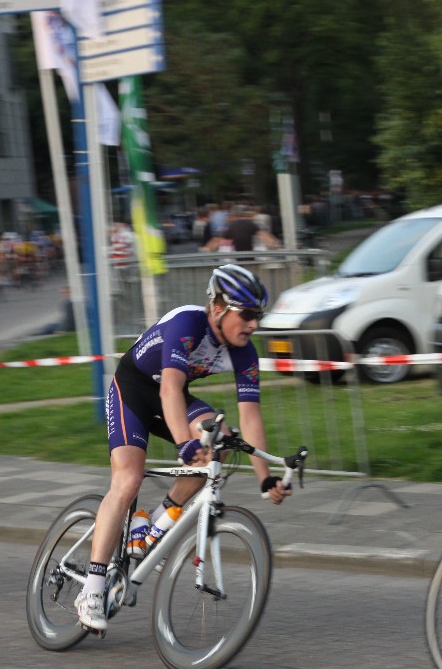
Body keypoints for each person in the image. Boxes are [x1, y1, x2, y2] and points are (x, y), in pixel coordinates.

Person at [75, 264, 290, 631]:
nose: (254, 324)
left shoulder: (244, 352)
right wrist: (184, 444)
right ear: (219, 308)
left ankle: (154, 524)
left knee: (219, 441)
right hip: (133, 391)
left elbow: (250, 415)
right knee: (127, 481)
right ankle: (91, 589)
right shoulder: (187, 324)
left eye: (259, 316)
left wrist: (265, 478)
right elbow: (169, 389)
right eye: (247, 315)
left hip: (171, 397)